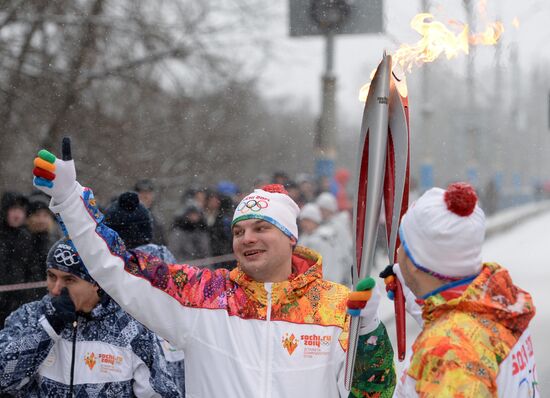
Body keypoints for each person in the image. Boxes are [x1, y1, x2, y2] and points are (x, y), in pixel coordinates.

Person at [32, 145, 396, 397]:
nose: (246, 239)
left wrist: (367, 330)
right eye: (238, 231)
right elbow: (117, 267)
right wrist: (70, 202)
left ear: (289, 237)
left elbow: (375, 391)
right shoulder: (203, 296)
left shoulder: (335, 307)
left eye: (260, 228)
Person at [387, 182, 539, 397]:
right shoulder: (498, 306)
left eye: (403, 243)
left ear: (414, 263)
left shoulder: (449, 355)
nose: (398, 251)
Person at [0, 238, 181, 397]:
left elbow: (161, 393)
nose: (56, 289)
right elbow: (3, 378)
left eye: (69, 280)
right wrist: (48, 328)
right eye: (51, 276)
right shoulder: (30, 317)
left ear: (96, 282)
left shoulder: (132, 329)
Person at [298, 203, 351, 287]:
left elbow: (328, 265)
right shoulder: (303, 238)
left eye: (308, 220)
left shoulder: (324, 239)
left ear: (315, 221)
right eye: (303, 220)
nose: (304, 224)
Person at [0, 192, 33, 325]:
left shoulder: (26, 237)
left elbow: (31, 268)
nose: (17, 215)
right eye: (14, 209)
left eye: (21, 210)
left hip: (18, 299)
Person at [134, 179, 166, 245]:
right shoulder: (129, 215)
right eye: (142, 192)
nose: (145, 196)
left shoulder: (157, 217)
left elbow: (162, 242)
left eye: (148, 193)